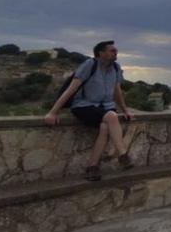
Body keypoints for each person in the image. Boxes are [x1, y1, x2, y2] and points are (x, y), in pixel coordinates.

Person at [44, 41, 135, 182]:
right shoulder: (90, 65)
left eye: (116, 51)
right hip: (84, 106)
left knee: (105, 127)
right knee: (111, 116)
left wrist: (125, 110)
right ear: (101, 53)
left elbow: (117, 92)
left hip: (104, 107)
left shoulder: (116, 68)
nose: (115, 53)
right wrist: (53, 112)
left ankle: (92, 167)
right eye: (112, 51)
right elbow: (71, 89)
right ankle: (123, 154)